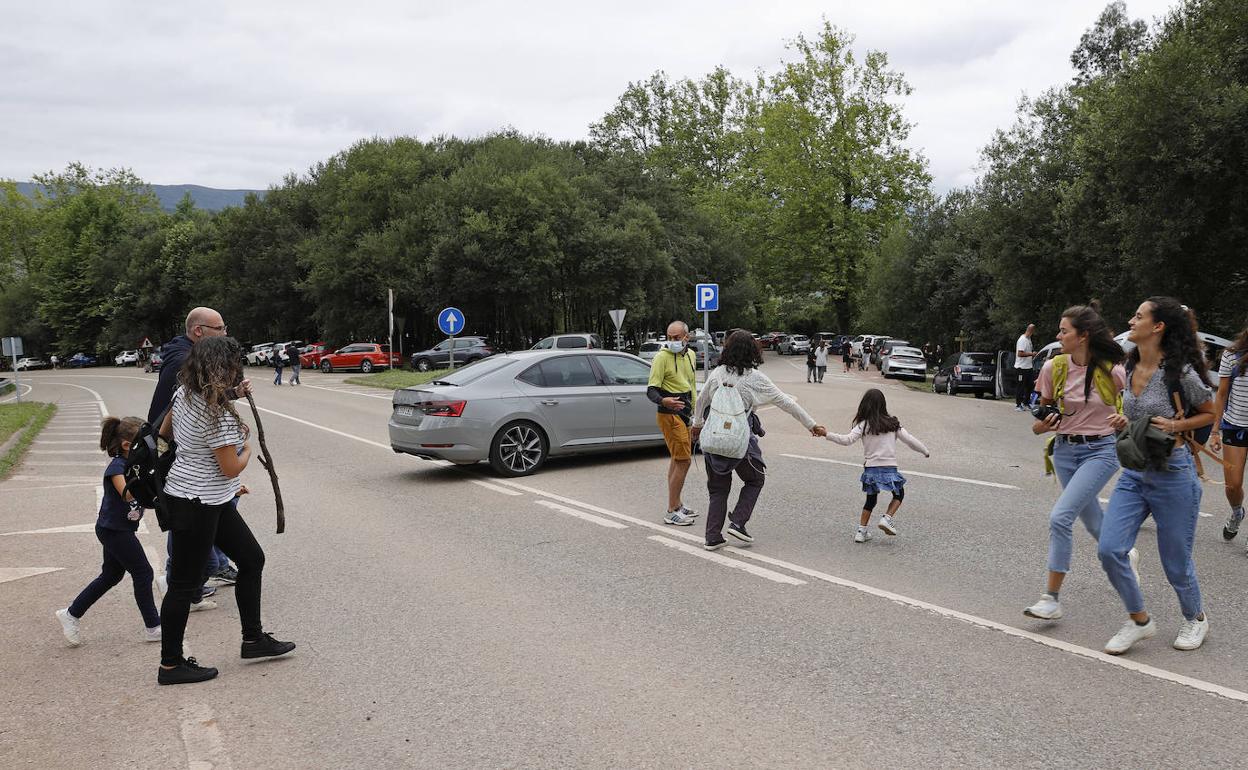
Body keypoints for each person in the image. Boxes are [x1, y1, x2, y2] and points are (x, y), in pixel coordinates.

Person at [157, 336, 294, 685]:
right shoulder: (217, 417)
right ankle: (170, 666)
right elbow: (231, 468)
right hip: (196, 504)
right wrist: (246, 447)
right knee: (183, 584)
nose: (238, 372)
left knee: (251, 559)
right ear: (222, 368)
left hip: (206, 499)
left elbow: (165, 431)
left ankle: (254, 639)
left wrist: (228, 400)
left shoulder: (185, 394)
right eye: (234, 366)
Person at [1098, 297, 1215, 655]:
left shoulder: (1179, 373)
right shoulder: (1131, 366)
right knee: (1110, 549)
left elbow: (1211, 411)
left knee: (1175, 562)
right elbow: (1138, 416)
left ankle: (1195, 618)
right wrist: (1125, 421)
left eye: (1139, 316)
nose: (1131, 320)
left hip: (1173, 474)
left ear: (1158, 326)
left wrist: (1179, 423)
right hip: (1136, 472)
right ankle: (1139, 621)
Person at [1022, 306, 1135, 621]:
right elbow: (1041, 416)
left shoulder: (1113, 371)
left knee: (1060, 517)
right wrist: (1043, 423)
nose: (1058, 337)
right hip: (1064, 451)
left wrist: (1125, 419)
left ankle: (1052, 598)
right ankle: (1125, 554)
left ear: (1083, 335)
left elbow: (1134, 412)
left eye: (1064, 331)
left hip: (1101, 451)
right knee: (1094, 522)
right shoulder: (1053, 367)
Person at [690, 330, 825, 550]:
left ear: (727, 348)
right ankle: (738, 522)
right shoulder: (755, 378)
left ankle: (712, 537)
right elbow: (786, 403)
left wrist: (697, 425)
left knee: (718, 490)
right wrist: (812, 425)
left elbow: (701, 400)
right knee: (755, 479)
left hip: (712, 439)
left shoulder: (717, 373)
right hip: (738, 440)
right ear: (753, 350)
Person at [148, 307, 243, 602]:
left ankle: (200, 573)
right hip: (196, 483)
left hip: (190, 476)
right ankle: (184, 578)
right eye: (220, 328)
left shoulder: (186, 380)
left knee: (246, 552)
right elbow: (229, 467)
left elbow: (169, 421)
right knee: (194, 546)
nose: (224, 333)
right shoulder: (184, 361)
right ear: (199, 332)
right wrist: (245, 448)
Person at [55, 417, 161, 647]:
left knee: (111, 575)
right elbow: (128, 494)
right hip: (114, 530)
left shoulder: (132, 465)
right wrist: (149, 483)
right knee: (143, 573)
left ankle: (71, 614)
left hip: (118, 528)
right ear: (126, 446)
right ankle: (153, 626)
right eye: (142, 444)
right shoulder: (117, 468)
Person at [825, 389, 929, 542]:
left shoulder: (863, 425)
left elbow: (846, 440)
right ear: (883, 405)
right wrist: (925, 451)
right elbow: (910, 440)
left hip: (871, 469)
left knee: (871, 500)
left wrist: (826, 434)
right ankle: (887, 518)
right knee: (899, 494)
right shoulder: (893, 423)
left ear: (865, 406)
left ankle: (861, 531)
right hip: (889, 468)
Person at [647, 320, 700, 526]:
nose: (672, 341)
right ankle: (671, 510)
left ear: (687, 337)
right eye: (669, 337)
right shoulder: (661, 357)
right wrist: (663, 400)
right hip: (669, 414)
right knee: (684, 461)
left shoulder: (691, 355)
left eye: (676, 338)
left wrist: (695, 413)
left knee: (676, 459)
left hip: (686, 413)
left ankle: (677, 504)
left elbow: (692, 385)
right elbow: (651, 390)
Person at [1211, 316, 1248, 545]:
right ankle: (1237, 512)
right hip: (1235, 426)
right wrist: (1215, 430)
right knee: (1232, 485)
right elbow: (1222, 394)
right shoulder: (1231, 356)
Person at [1015, 323, 1037, 411]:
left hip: (1028, 367)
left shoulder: (1029, 339)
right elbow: (1019, 353)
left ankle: (1026, 402)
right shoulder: (1022, 340)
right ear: (1030, 330)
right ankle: (1018, 404)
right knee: (1020, 386)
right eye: (1032, 331)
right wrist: (1031, 354)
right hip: (1021, 368)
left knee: (1030, 385)